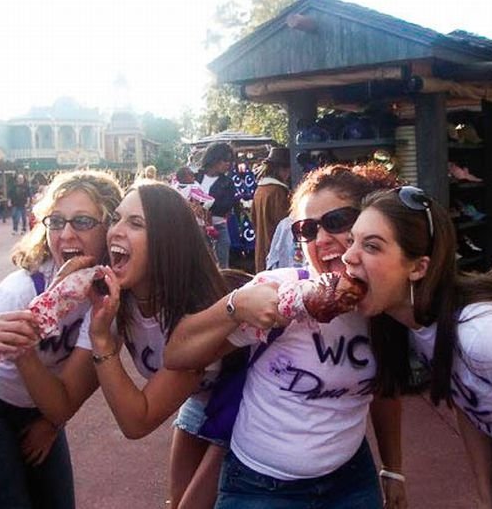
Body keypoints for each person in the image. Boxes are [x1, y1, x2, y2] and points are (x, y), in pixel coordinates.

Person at [164, 164, 407, 509]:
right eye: (307, 229)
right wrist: (234, 306)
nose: (321, 239)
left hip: (350, 478)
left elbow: (385, 389)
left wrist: (393, 470)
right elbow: (177, 354)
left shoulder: (382, 303)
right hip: (259, 485)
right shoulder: (275, 289)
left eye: (338, 221)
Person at [342, 186, 492, 509]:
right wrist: (486, 497)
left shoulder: (483, 334)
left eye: (371, 246)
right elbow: (469, 405)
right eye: (352, 241)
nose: (348, 256)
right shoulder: (416, 325)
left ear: (418, 268)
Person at [0, 169, 123, 509]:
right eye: (56, 221)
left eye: (82, 221)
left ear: (111, 229)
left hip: (42, 407)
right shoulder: (21, 288)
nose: (66, 234)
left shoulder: (108, 301)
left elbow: (73, 391)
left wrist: (51, 422)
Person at [84, 181, 231, 509]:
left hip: (244, 402)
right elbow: (76, 383)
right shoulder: (123, 298)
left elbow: (138, 420)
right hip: (199, 400)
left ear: (168, 241)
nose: (116, 231)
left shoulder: (196, 312)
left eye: (136, 224)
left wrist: (101, 339)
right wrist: (48, 422)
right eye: (116, 219)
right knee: (177, 502)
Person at [196, 143, 237, 269]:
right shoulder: (195, 177)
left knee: (222, 268)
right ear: (215, 158)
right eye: (225, 160)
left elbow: (226, 206)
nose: (228, 164)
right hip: (195, 229)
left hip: (218, 229)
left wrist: (203, 205)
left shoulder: (228, 182)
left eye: (230, 161)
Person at [252, 147, 291, 273]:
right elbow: (284, 225)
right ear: (282, 169)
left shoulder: (260, 190)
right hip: (275, 248)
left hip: (261, 248)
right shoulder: (278, 192)